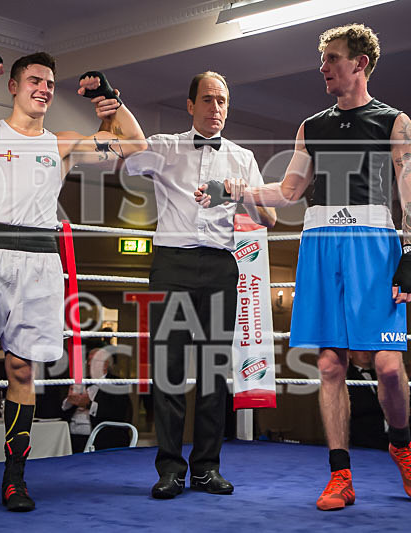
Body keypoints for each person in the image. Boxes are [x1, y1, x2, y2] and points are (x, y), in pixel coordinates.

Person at [196, 24, 411, 510]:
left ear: (360, 63)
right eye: (323, 60)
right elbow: (288, 192)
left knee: (387, 366)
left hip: (373, 244)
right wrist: (229, 191)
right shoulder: (311, 125)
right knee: (328, 364)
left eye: (333, 59)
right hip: (321, 243)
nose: (323, 69)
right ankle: (340, 474)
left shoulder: (395, 121)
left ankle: (401, 442)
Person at [0, 51, 146, 515]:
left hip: (39, 261)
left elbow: (135, 146)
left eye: (50, 83)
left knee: (22, 371)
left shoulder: (64, 143)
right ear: (13, 86)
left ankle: (14, 479)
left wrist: (110, 99)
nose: (44, 88)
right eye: (35, 79)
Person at [120, 71, 276, 499]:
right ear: (191, 105)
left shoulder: (242, 157)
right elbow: (128, 158)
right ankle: (170, 468)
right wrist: (112, 108)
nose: (216, 108)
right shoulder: (166, 146)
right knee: (168, 369)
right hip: (172, 261)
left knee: (212, 371)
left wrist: (241, 194)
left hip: (222, 263)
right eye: (208, 100)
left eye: (223, 101)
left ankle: (206, 467)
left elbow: (270, 221)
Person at [61, 346, 133, 453]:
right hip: (71, 437)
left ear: (105, 364)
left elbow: (119, 413)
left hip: (100, 438)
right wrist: (70, 400)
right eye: (89, 360)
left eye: (94, 360)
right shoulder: (82, 382)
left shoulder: (117, 383)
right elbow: (63, 410)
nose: (89, 364)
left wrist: (89, 405)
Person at [347, 351, 388, 450]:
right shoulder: (346, 376)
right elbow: (354, 406)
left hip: (387, 438)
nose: (366, 353)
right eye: (360, 350)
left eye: (369, 350)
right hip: (362, 438)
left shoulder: (380, 374)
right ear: (350, 354)